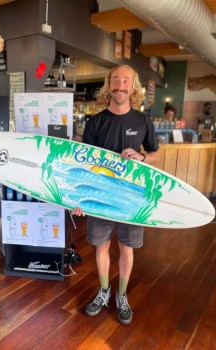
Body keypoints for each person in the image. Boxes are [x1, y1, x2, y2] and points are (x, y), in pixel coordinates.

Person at [71, 64, 160, 325]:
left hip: (131, 197)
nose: (121, 85)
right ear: (109, 85)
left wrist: (142, 157)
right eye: (116, 80)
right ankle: (103, 291)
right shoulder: (95, 122)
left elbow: (156, 154)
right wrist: (79, 199)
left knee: (126, 247)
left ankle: (121, 295)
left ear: (133, 88)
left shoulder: (143, 121)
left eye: (126, 81)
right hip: (100, 194)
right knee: (101, 245)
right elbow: (83, 164)